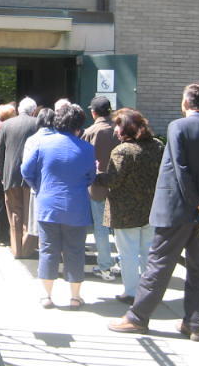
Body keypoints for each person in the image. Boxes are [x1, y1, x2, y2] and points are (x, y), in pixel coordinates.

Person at [108, 83, 199, 342]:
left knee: (158, 265)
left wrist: (197, 202)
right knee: (197, 269)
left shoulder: (177, 127)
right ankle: (193, 322)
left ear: (185, 102)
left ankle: (137, 317)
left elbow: (180, 167)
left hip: (175, 210)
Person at [21, 104, 95, 310]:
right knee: (75, 251)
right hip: (77, 206)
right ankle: (74, 297)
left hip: (47, 204)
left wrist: (40, 186)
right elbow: (90, 176)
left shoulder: (42, 144)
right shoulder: (87, 149)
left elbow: (26, 170)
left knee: (48, 250)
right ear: (79, 126)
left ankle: (47, 296)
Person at [96, 108, 163, 304]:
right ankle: (148, 290)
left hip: (125, 212)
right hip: (151, 208)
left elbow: (113, 180)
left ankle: (132, 292)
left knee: (128, 254)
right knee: (148, 253)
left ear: (126, 128)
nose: (115, 130)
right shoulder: (157, 146)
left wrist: (97, 175)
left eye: (118, 126)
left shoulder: (122, 151)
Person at [81, 96, 119, 281]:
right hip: (118, 186)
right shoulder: (118, 130)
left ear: (93, 112)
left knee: (101, 228)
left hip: (96, 186)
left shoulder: (90, 131)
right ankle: (121, 262)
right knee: (119, 228)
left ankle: (105, 266)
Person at [0, 96, 38, 258]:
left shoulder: (6, 125)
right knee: (30, 213)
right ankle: (27, 247)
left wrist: (2, 174)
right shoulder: (37, 124)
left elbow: (0, 151)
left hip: (10, 174)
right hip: (31, 176)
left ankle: (16, 250)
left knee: (14, 212)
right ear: (33, 110)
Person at [22, 108, 55, 242]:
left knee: (42, 231)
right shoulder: (61, 138)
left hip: (38, 188)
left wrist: (34, 185)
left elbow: (26, 168)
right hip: (55, 187)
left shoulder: (32, 140)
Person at [0, 103, 17, 246]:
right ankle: (1, 237)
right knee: (2, 205)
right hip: (0, 173)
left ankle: (1, 236)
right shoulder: (3, 130)